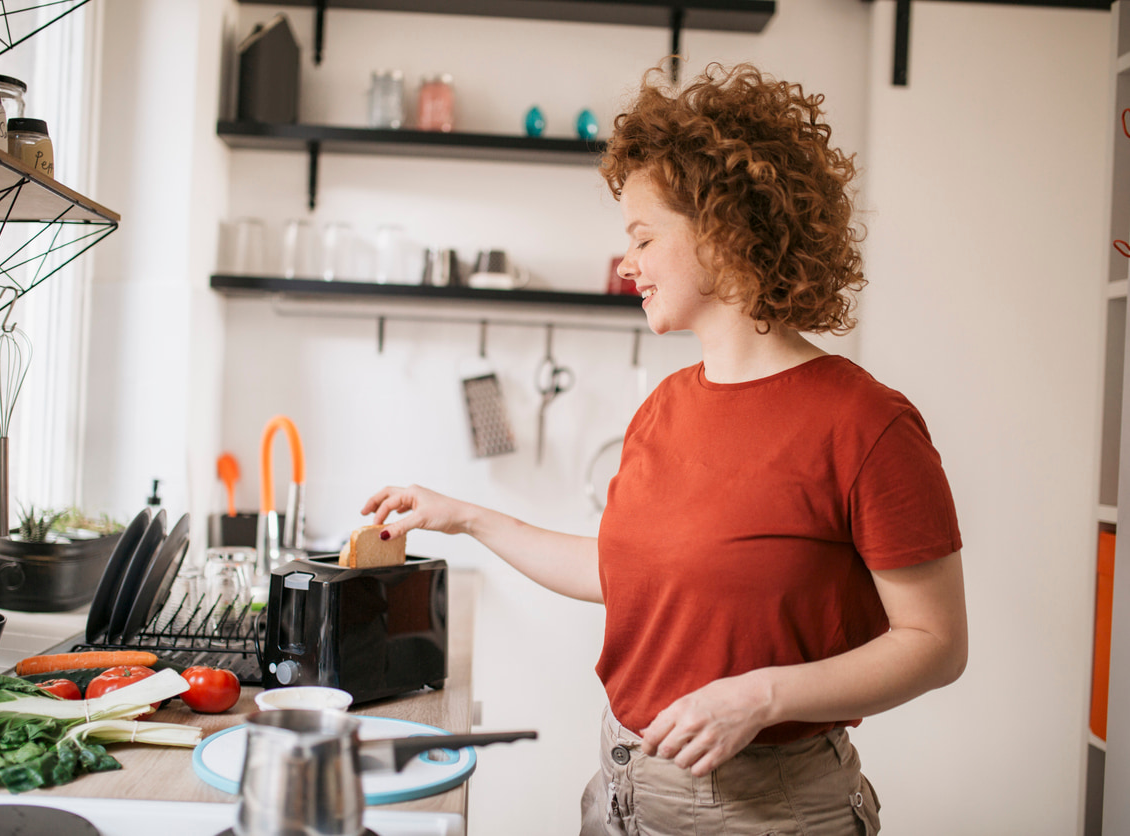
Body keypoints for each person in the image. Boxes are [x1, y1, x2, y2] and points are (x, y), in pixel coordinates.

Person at [361, 62, 966, 836]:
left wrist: (764, 695)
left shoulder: (866, 425)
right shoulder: (665, 408)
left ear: (725, 233)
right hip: (621, 789)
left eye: (644, 237)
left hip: (768, 811)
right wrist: (467, 517)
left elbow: (936, 643)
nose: (627, 262)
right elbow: (629, 575)